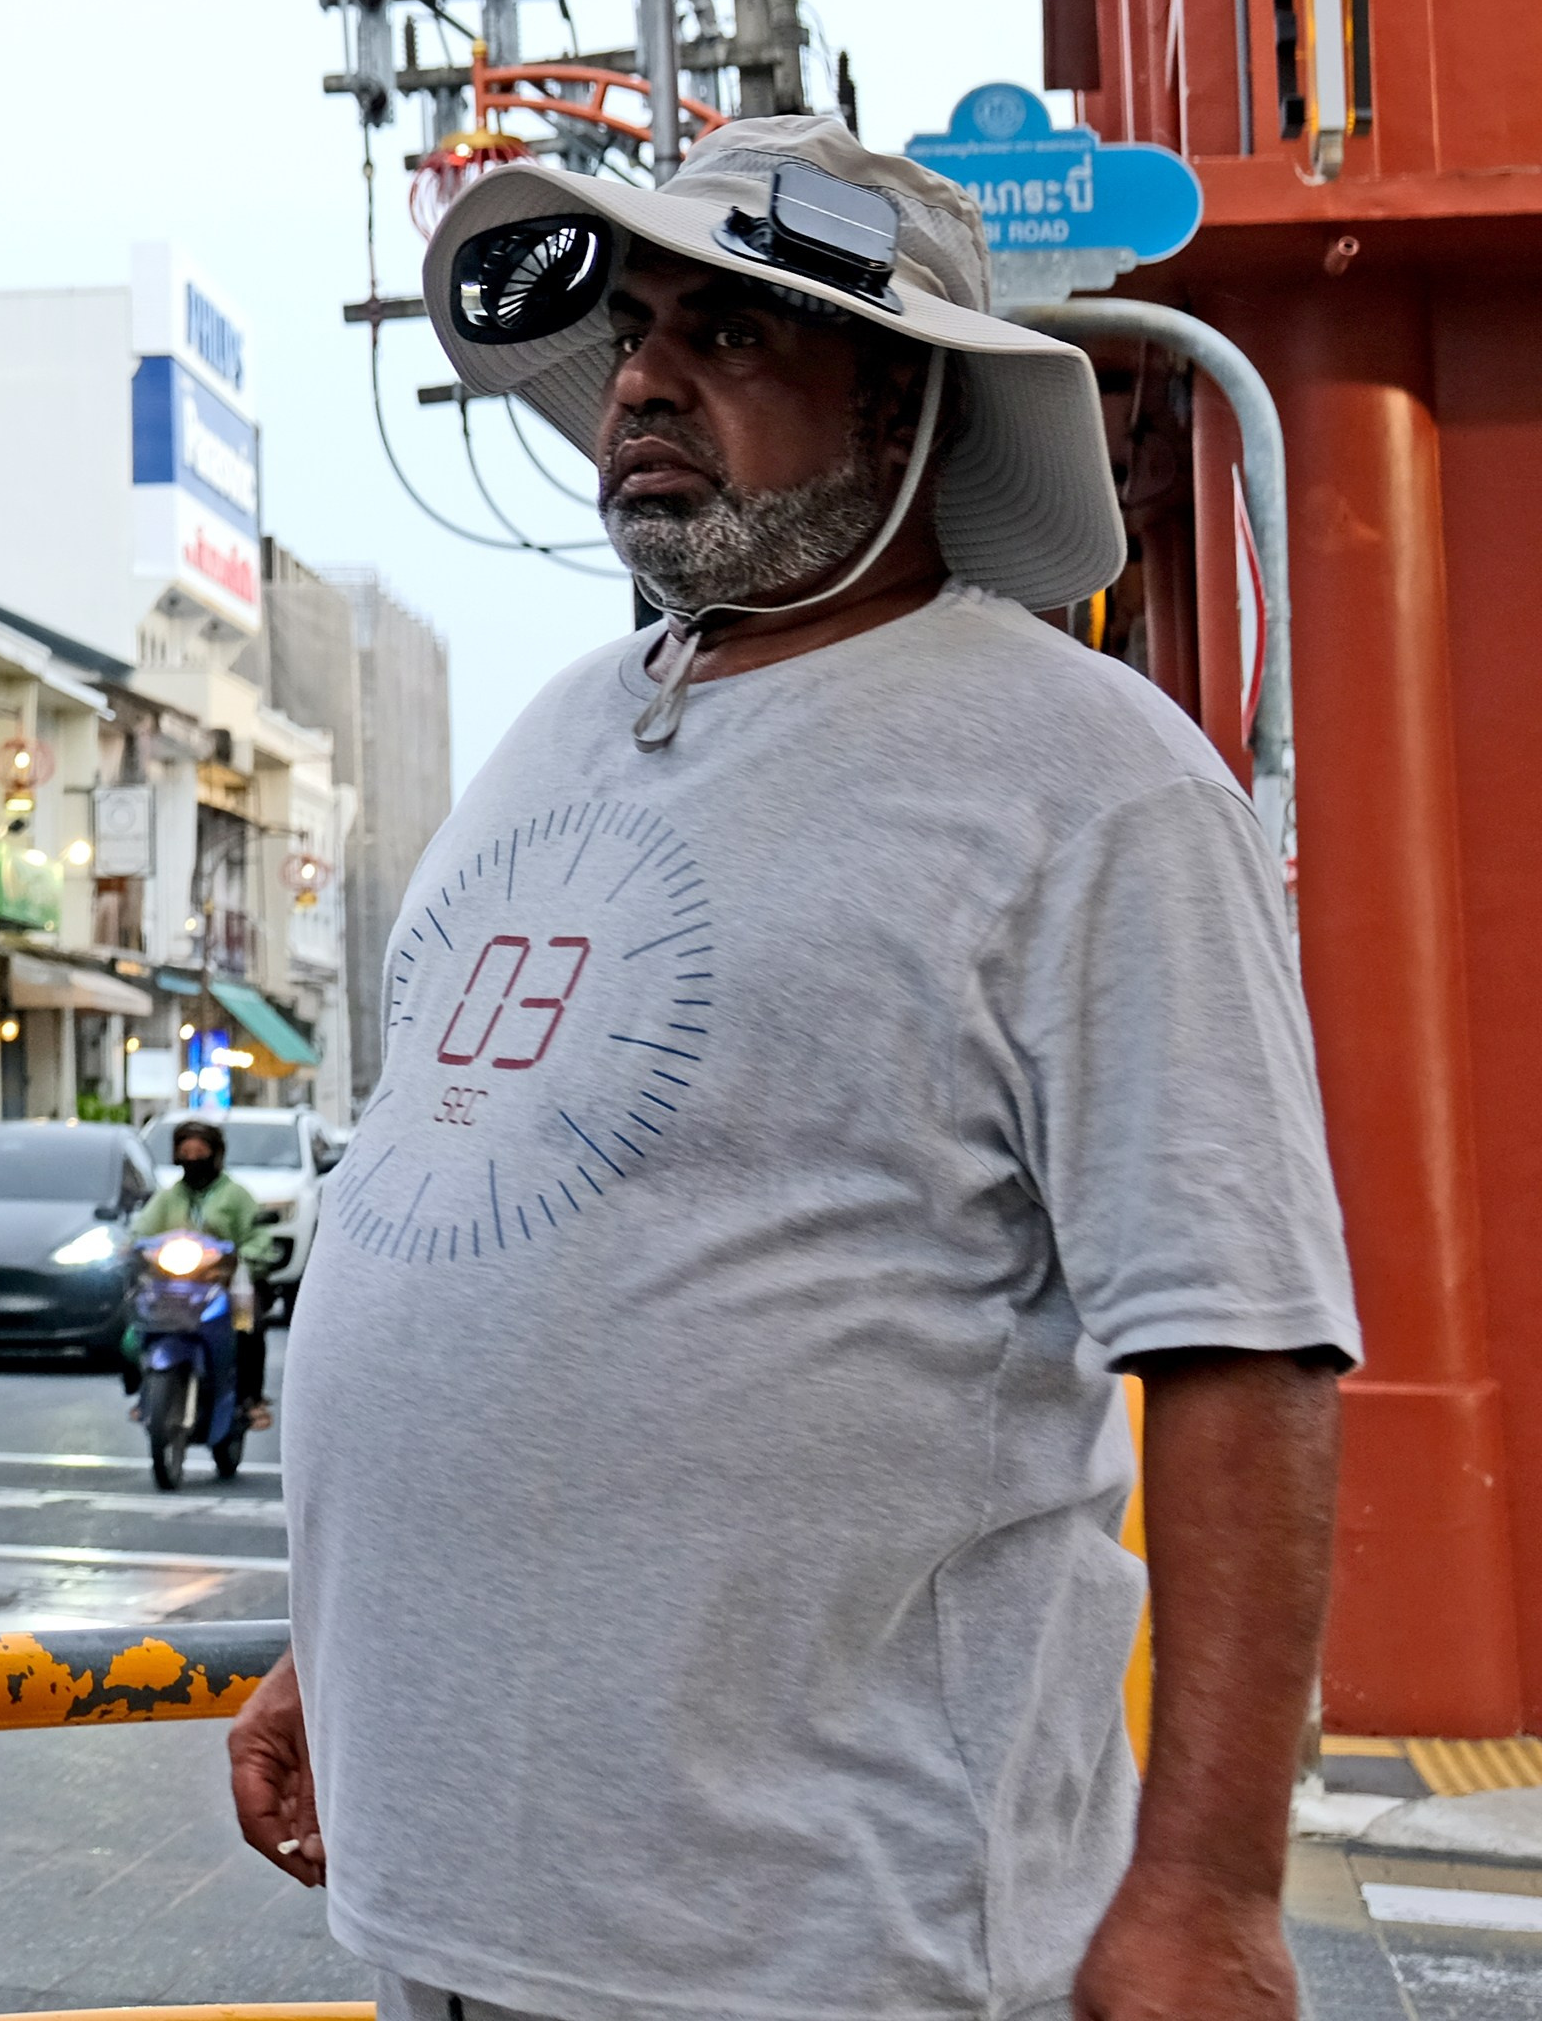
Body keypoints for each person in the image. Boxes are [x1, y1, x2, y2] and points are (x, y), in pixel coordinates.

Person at [231, 116, 1361, 2021]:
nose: (648, 376)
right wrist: (340, 1654)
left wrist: (1211, 1893)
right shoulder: (555, 732)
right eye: (635, 328)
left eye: (734, 334)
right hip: (452, 1906)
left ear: (909, 405)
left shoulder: (1090, 782)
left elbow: (1243, 1344)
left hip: (833, 1945)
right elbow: (460, 1219)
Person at [132, 1120, 279, 1426]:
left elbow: (256, 1237)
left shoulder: (235, 1195)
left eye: (200, 1152)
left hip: (227, 1285)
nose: (192, 1158)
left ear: (215, 1155)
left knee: (247, 1324)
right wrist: (131, 1248)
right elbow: (142, 1230)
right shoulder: (169, 1197)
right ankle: (144, 1392)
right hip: (175, 1288)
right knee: (135, 1324)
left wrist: (247, 1257)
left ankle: (250, 1398)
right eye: (185, 1152)